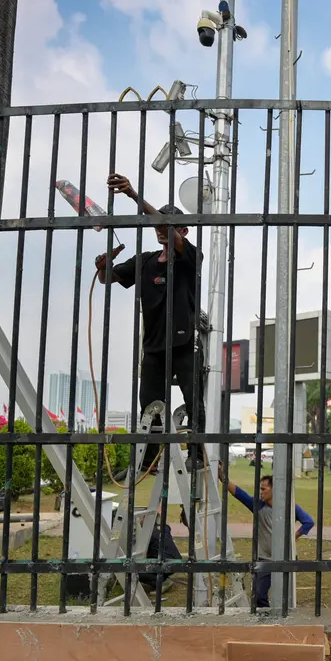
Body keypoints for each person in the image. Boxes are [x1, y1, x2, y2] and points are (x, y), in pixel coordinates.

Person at [97, 173, 205, 469]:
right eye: (158, 225)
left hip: (184, 343)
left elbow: (169, 231)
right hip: (154, 346)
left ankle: (197, 452)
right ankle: (151, 457)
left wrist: (133, 194)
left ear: (183, 231)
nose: (161, 229)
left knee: (193, 400)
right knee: (150, 405)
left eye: (168, 225)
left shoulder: (191, 258)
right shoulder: (144, 262)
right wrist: (103, 267)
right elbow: (109, 278)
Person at [226, 475, 315, 608]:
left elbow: (308, 522)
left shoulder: (289, 507)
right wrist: (222, 476)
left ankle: (280, 621)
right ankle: (265, 620)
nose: (260, 492)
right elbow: (239, 493)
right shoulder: (258, 506)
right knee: (259, 595)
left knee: (285, 597)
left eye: (263, 489)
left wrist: (294, 535)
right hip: (264, 559)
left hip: (285, 558)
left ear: (275, 490)